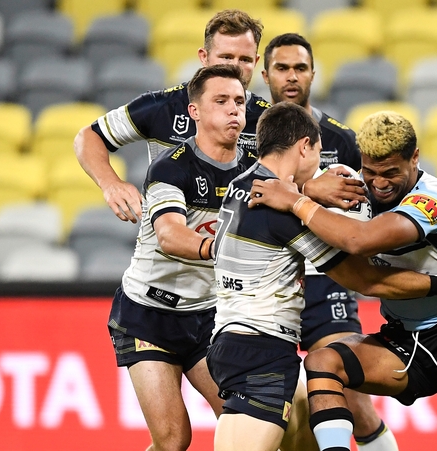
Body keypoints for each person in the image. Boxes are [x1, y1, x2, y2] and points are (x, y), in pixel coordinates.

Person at [248, 110, 437, 451]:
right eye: (371, 172)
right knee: (321, 362)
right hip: (402, 338)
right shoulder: (353, 186)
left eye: (391, 172)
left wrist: (298, 200)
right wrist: (307, 187)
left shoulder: (431, 197)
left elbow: (361, 240)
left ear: (414, 158)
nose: (379, 183)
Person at [207, 102, 437, 451]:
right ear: (304, 146)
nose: (321, 169)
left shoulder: (240, 186)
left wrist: (304, 193)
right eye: (318, 155)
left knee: (307, 420)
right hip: (264, 347)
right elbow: (365, 279)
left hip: (227, 338)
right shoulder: (285, 213)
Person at [74, 10, 364, 225]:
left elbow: (287, 182)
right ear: (204, 57)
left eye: (245, 60)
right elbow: (88, 136)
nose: (236, 68)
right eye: (226, 57)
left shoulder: (270, 119)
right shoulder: (161, 106)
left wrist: (311, 186)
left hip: (235, 276)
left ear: (256, 63)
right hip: (164, 266)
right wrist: (111, 183)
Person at [260, 32, 397, 451]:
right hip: (264, 287)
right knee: (281, 414)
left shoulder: (341, 140)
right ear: (265, 74)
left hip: (326, 280)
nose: (291, 76)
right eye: (282, 67)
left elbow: (380, 193)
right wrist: (308, 190)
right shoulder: (248, 135)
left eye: (300, 68)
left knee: (354, 400)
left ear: (313, 74)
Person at [105, 64, 250, 451]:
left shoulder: (255, 169)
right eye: (221, 101)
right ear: (195, 112)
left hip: (206, 316)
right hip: (147, 316)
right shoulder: (170, 167)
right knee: (173, 439)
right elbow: (171, 236)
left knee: (246, 422)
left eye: (239, 101)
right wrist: (229, 250)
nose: (234, 109)